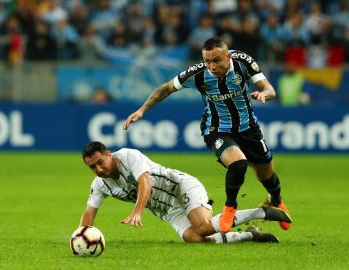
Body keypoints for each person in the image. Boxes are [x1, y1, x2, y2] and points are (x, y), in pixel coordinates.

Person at [123, 37, 291, 234]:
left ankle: (277, 201)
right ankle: (230, 207)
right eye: (207, 61)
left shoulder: (243, 61)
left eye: (216, 61)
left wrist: (264, 94)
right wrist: (142, 110)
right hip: (216, 128)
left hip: (248, 127)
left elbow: (269, 88)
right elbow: (166, 88)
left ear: (227, 56)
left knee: (267, 174)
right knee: (238, 164)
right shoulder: (198, 74)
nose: (211, 66)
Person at [79, 141, 292, 244]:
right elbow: (89, 213)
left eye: (100, 162)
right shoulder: (100, 184)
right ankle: (249, 235)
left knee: (205, 227)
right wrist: (81, 235)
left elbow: (145, 182)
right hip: (167, 210)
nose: (98, 169)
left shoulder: (127, 156)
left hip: (180, 186)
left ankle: (261, 212)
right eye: (92, 167)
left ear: (108, 154)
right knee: (195, 239)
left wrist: (137, 212)